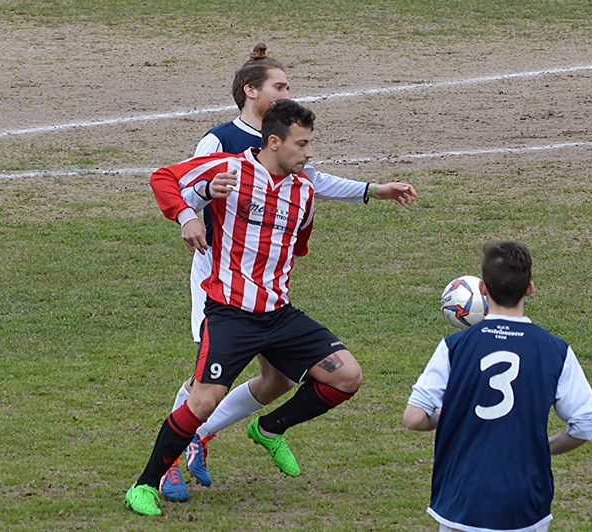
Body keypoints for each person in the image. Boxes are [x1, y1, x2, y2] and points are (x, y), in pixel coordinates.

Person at [159, 43, 416, 502]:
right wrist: (199, 203)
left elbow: (316, 182)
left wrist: (374, 190)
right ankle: (172, 460)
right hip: (220, 279)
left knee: (277, 380)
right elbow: (189, 191)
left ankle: (206, 435)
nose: (285, 93)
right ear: (250, 90)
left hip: (266, 289)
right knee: (205, 382)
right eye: (279, 86)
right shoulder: (220, 141)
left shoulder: (289, 144)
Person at [403, 241, 592, 532]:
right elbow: (585, 425)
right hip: (524, 507)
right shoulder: (555, 350)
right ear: (530, 288)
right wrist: (542, 449)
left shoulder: (453, 347)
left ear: (482, 289)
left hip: (461, 502)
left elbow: (413, 418)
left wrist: (455, 413)